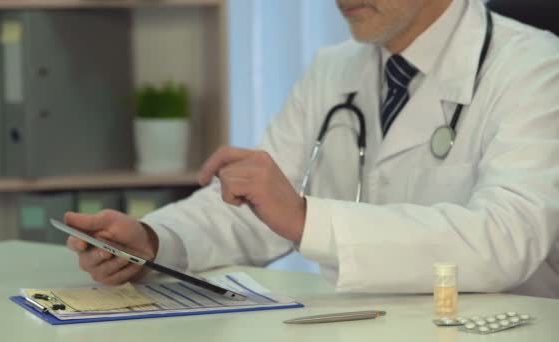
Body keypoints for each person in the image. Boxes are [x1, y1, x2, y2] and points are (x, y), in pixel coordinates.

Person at [66, 0, 559, 298]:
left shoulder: (536, 67)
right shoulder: (333, 68)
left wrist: (306, 219)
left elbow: (505, 239)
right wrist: (154, 241)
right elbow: (251, 210)